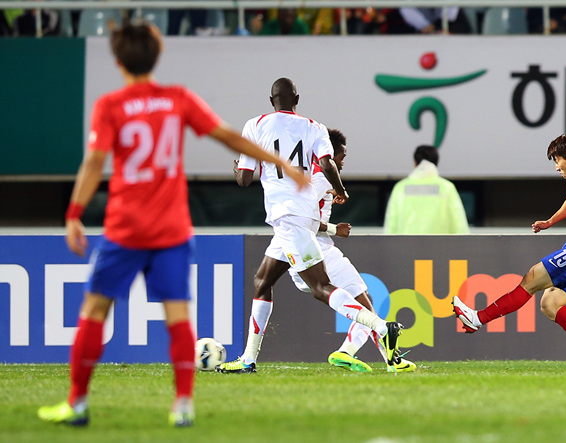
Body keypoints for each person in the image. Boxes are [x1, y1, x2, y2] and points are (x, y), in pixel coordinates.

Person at [36, 21, 308, 429]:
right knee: (178, 316)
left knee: (94, 310)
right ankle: (182, 404)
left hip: (125, 227)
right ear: (157, 56)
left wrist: (73, 214)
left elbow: (94, 163)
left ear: (118, 61)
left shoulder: (110, 105)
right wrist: (283, 163)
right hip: (171, 229)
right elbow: (227, 136)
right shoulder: (176, 99)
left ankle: (77, 403)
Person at [216, 78, 403, 374]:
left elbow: (245, 179)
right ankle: (248, 358)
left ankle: (379, 326)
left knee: (319, 287)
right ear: (297, 99)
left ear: (270, 100)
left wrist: (238, 165)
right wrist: (340, 190)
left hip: (286, 216)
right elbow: (327, 165)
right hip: (298, 216)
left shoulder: (255, 125)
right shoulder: (314, 127)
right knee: (262, 282)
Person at [453, 133, 566, 373]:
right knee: (550, 304)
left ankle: (478, 318)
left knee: (531, 278)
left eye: (558, 161)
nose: (556, 167)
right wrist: (550, 222)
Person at [288, 128, 416, 373]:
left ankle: (362, 355)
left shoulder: (314, 177)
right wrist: (337, 229)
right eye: (341, 156)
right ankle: (385, 359)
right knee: (365, 303)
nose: (343, 162)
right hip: (318, 251)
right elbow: (303, 220)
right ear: (328, 153)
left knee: (364, 301)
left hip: (307, 253)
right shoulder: (320, 178)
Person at [384, 145, 469, 234]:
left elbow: (391, 226)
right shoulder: (447, 188)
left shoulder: (400, 188)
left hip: (406, 247)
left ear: (415, 163)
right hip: (440, 246)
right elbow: (459, 224)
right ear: (437, 163)